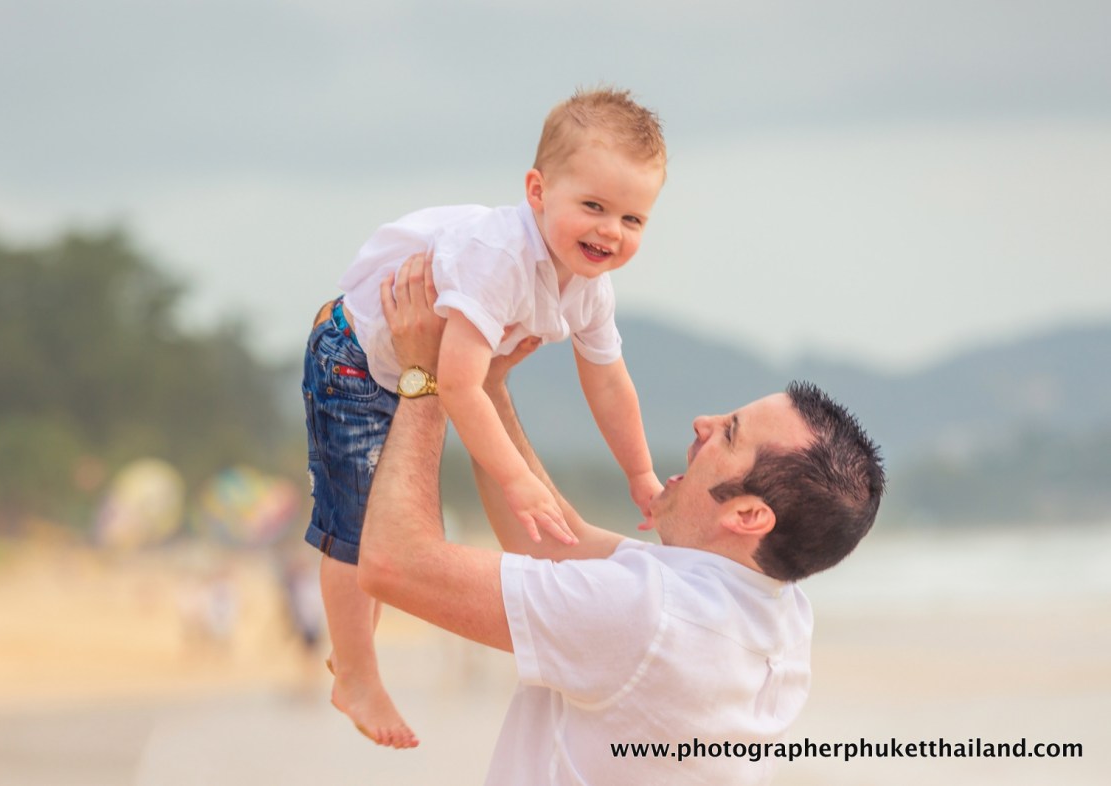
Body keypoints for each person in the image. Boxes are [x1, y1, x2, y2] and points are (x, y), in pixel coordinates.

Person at [357, 255, 887, 783]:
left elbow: (393, 563)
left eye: (729, 434)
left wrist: (425, 378)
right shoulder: (778, 611)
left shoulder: (654, 615)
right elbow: (555, 542)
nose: (703, 423)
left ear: (749, 515)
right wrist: (484, 389)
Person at [302, 86, 667, 746]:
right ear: (537, 191)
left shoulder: (589, 287)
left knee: (403, 513)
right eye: (592, 206)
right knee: (357, 522)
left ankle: (356, 662)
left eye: (633, 219)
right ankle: (354, 669)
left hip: (410, 369)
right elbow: (460, 385)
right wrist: (518, 479)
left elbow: (610, 383)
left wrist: (641, 475)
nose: (610, 231)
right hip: (355, 353)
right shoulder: (497, 257)